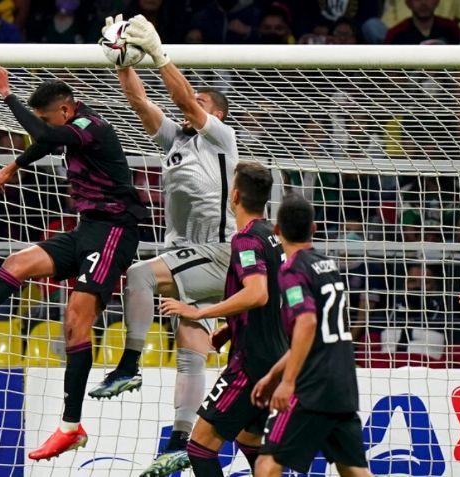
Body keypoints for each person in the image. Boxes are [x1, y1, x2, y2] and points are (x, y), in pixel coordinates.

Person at [0, 56, 149, 460]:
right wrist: (17, 162)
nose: (46, 124)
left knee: (75, 319)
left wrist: (6, 94)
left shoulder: (91, 126)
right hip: (88, 227)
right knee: (18, 262)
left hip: (116, 230)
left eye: (49, 118)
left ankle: (70, 426)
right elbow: (45, 138)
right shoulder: (71, 126)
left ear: (66, 110)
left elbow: (41, 133)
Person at [87, 13, 238, 477]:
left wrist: (161, 56)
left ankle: (129, 362)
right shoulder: (175, 139)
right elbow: (140, 101)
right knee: (191, 353)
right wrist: (122, 62)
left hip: (216, 252)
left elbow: (183, 98)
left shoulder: (220, 137)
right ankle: (179, 442)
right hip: (188, 258)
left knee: (137, 274)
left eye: (202, 102)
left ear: (215, 114)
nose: (193, 105)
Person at [160, 161, 286, 477]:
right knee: (249, 440)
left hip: (251, 363)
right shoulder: (272, 238)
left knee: (199, 448)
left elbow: (258, 293)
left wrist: (199, 311)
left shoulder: (245, 240)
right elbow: (275, 299)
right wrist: (231, 327)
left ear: (234, 196)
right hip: (275, 357)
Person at [250, 194, 371, 477]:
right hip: (342, 385)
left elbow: (307, 323)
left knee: (266, 465)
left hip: (311, 388)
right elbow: (319, 334)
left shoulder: (292, 270)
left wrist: (287, 381)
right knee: (355, 471)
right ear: (314, 228)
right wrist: (273, 375)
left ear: (277, 230)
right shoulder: (328, 265)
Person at [384, 0, 460, 44]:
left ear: (437, 2)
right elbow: (389, 71)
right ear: (408, 3)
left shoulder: (452, 29)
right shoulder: (396, 34)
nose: (423, 3)